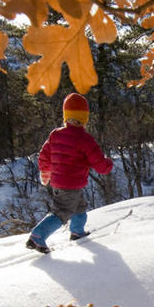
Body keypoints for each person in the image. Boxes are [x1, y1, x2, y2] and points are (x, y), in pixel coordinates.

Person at [26, 93, 114, 253]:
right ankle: (37, 236)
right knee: (62, 212)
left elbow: (44, 155)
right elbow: (99, 164)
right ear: (85, 117)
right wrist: (108, 164)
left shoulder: (55, 134)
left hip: (59, 182)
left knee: (80, 206)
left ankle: (76, 232)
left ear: (66, 116)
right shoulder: (85, 139)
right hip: (71, 184)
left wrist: (45, 172)